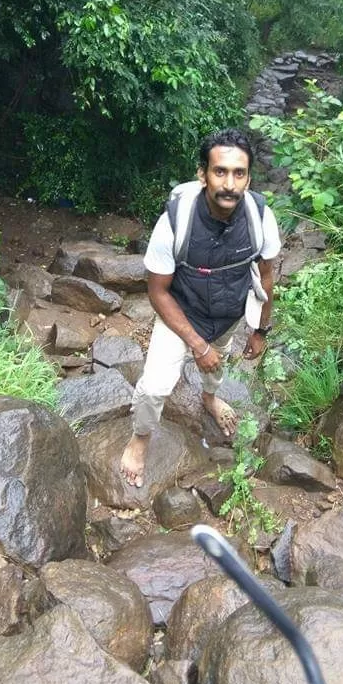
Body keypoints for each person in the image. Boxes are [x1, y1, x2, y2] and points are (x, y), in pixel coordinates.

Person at [120, 128, 282, 488]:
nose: (229, 183)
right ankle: (140, 438)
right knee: (155, 386)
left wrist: (260, 330)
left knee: (215, 366)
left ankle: (210, 398)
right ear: (202, 174)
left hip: (228, 315)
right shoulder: (175, 221)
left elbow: (267, 276)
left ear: (249, 178)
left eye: (239, 174)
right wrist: (197, 344)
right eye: (219, 171)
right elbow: (157, 291)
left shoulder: (259, 218)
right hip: (180, 312)